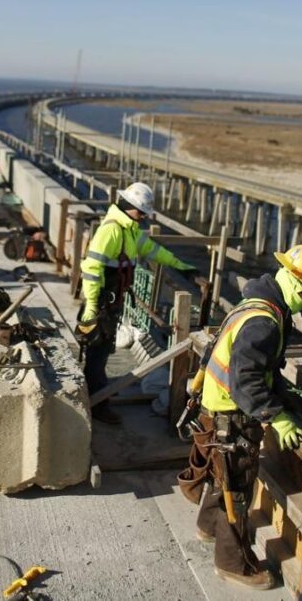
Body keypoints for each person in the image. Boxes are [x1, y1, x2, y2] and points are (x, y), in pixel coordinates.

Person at [183, 244, 302, 590]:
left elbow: (259, 368)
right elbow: (247, 380)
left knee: (221, 478)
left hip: (214, 408)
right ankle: (233, 564)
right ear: (295, 283)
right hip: (230, 418)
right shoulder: (265, 321)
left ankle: (207, 528)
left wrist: (285, 400)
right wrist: (276, 417)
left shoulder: (256, 304)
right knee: (235, 490)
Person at [76, 182, 196, 424]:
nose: (143, 218)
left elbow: (151, 249)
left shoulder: (129, 230)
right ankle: (98, 405)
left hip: (112, 301)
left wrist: (178, 264)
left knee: (105, 347)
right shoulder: (112, 230)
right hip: (101, 302)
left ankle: (100, 389)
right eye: (141, 213)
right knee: (97, 351)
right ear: (129, 207)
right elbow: (91, 268)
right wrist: (91, 306)